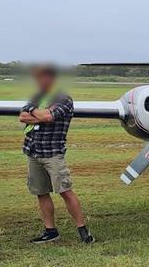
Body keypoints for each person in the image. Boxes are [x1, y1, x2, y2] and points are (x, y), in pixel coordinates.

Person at [19, 65, 94, 244]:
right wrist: (38, 113)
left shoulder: (64, 99)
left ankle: (83, 230)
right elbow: (22, 117)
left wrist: (34, 112)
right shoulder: (37, 97)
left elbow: (47, 117)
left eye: (42, 78)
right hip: (33, 151)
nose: (39, 82)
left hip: (53, 153)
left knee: (65, 191)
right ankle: (50, 231)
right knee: (41, 192)